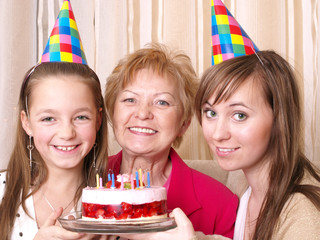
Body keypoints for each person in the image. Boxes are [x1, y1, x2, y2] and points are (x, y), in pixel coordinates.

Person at [122, 50, 320, 240]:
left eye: (239, 115)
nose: (217, 134)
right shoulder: (242, 184)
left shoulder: (304, 212)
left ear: (279, 119)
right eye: (211, 113)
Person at [104, 43, 239, 237]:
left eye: (162, 102)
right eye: (130, 100)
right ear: (112, 111)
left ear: (183, 124)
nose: (142, 113)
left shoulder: (221, 204)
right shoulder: (84, 179)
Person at [0, 62, 109, 240]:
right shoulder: (2, 192)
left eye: (81, 117)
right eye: (49, 118)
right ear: (26, 123)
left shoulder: (119, 204)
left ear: (98, 120)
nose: (66, 133)